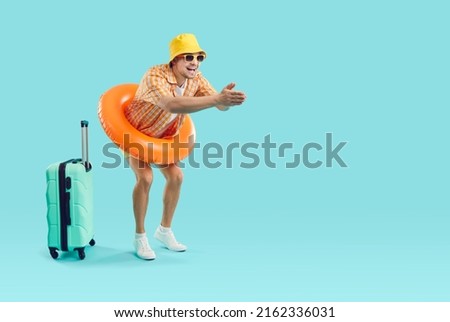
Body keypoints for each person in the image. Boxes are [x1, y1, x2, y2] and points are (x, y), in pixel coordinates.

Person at [124, 33, 246, 260]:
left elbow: (219, 106)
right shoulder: (154, 74)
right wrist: (216, 100)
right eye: (189, 57)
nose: (195, 62)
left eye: (199, 58)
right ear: (174, 60)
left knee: (177, 177)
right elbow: (171, 104)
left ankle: (164, 231)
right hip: (137, 133)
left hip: (162, 137)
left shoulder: (196, 79)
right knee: (146, 178)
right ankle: (140, 237)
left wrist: (225, 100)